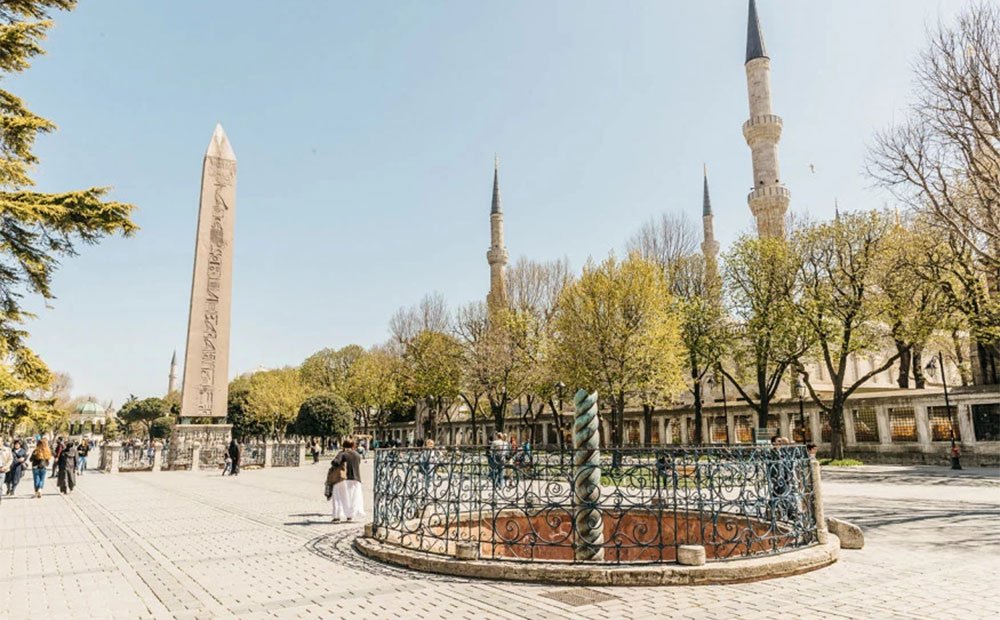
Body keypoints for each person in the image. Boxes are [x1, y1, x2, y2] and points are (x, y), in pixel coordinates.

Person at [329, 439, 364, 522]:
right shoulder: (357, 455)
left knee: (338, 497)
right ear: (353, 446)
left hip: (344, 478)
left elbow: (335, 463)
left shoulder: (343, 454)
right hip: (356, 478)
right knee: (352, 498)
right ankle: (350, 516)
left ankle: (337, 517)